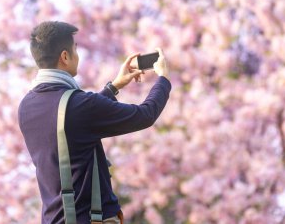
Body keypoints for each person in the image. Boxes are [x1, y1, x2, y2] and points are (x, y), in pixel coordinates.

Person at [18, 21, 171, 224]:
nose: (78, 56)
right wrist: (163, 79)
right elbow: (145, 115)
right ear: (65, 56)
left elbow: (72, 122)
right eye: (75, 50)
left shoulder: (26, 106)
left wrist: (114, 86)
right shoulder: (79, 105)